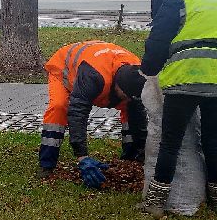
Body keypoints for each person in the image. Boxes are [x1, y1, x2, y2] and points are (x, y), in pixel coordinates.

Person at [138, 0, 217, 217]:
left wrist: (148, 70)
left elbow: (158, 40)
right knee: (212, 140)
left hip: (186, 79)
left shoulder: (179, 0)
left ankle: (156, 203)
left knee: (170, 142)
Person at [39, 41, 147, 184]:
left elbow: (138, 116)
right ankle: (47, 163)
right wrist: (82, 156)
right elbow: (78, 113)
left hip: (99, 62)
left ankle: (130, 157)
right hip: (64, 71)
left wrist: (142, 150)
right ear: (117, 86)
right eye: (125, 96)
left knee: (131, 109)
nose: (126, 99)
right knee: (59, 107)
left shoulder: (136, 74)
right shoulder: (93, 76)